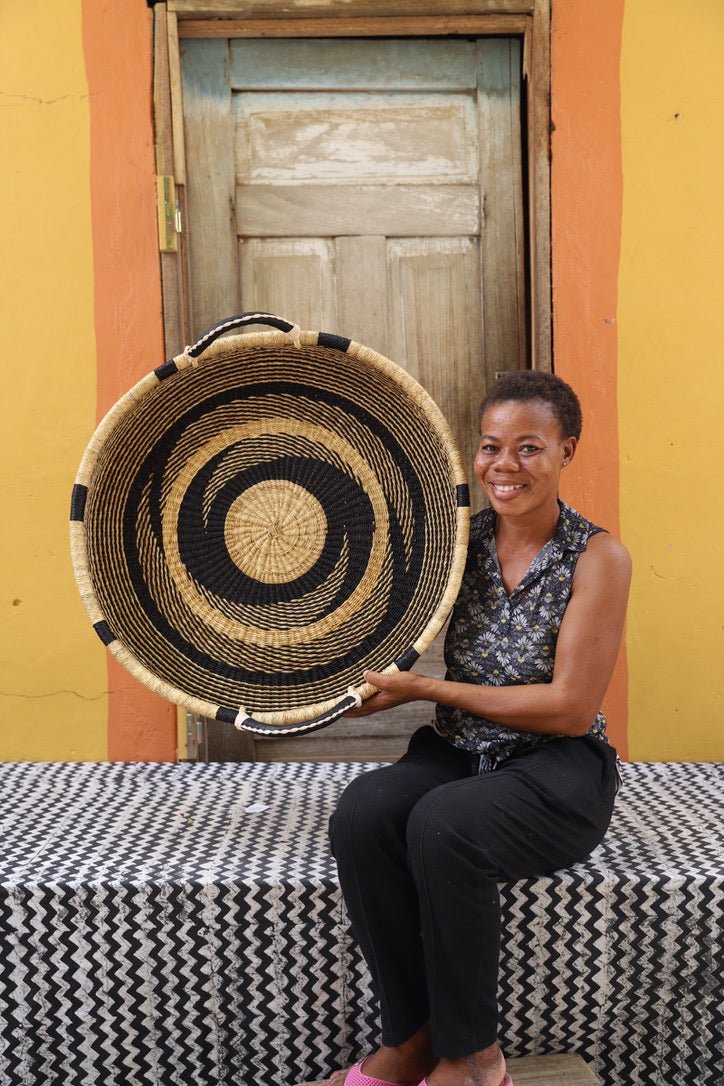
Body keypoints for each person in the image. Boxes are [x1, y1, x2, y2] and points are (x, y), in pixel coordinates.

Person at [327, 371, 632, 1086]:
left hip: (557, 768)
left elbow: (567, 707)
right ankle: (411, 1036)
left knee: (442, 823)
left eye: (529, 448)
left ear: (567, 451)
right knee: (363, 813)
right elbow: (374, 615)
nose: (504, 466)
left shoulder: (597, 559)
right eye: (491, 447)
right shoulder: (457, 546)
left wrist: (424, 689)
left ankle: (473, 1055)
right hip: (461, 750)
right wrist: (330, 677)